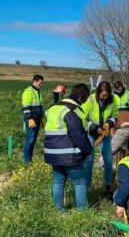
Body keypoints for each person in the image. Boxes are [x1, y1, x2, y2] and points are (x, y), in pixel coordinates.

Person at [44, 83, 93, 211]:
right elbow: (77, 134)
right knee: (80, 181)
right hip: (68, 154)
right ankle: (82, 212)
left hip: (52, 153)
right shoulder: (71, 109)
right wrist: (88, 150)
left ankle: (59, 212)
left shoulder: (54, 107)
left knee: (58, 181)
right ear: (83, 96)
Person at [82, 81, 118, 197]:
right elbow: (82, 118)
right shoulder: (90, 100)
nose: (104, 98)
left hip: (105, 134)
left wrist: (108, 124)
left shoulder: (112, 100)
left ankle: (108, 188)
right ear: (98, 93)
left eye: (107, 95)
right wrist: (94, 127)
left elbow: (115, 116)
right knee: (89, 161)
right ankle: (87, 187)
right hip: (91, 133)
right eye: (103, 95)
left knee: (108, 160)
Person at [22, 74, 44, 163]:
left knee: (34, 139)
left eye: (42, 83)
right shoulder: (28, 91)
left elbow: (39, 107)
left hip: (37, 119)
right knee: (30, 139)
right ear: (34, 81)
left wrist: (41, 118)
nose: (41, 85)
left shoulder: (38, 91)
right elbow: (25, 107)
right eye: (40, 83)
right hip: (31, 119)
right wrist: (30, 118)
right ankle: (26, 161)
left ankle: (29, 158)